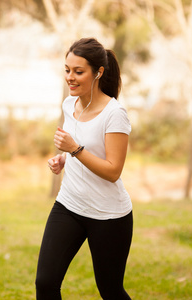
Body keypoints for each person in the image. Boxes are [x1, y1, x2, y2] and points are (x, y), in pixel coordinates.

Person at [35, 37, 133, 300]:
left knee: (110, 290)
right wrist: (64, 159)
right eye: (67, 70)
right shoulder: (70, 104)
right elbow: (83, 151)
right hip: (69, 205)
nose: (70, 77)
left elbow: (113, 170)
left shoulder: (115, 114)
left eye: (79, 72)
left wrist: (74, 149)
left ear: (98, 72)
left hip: (108, 215)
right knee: (45, 282)